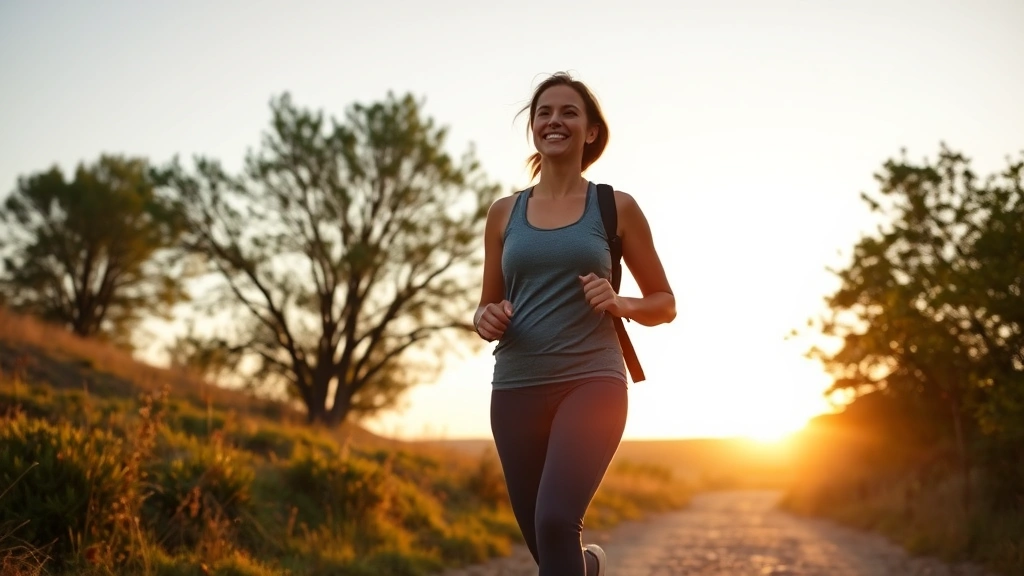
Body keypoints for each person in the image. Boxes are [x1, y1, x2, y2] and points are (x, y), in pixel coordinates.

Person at [472, 71, 676, 575]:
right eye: (544, 112)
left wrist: (619, 302)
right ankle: (586, 568)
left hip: (592, 380)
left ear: (589, 132)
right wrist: (487, 318)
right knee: (543, 540)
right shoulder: (503, 213)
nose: (554, 120)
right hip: (517, 383)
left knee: (557, 520)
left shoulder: (615, 208)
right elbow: (485, 307)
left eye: (568, 112)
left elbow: (664, 303)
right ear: (533, 128)